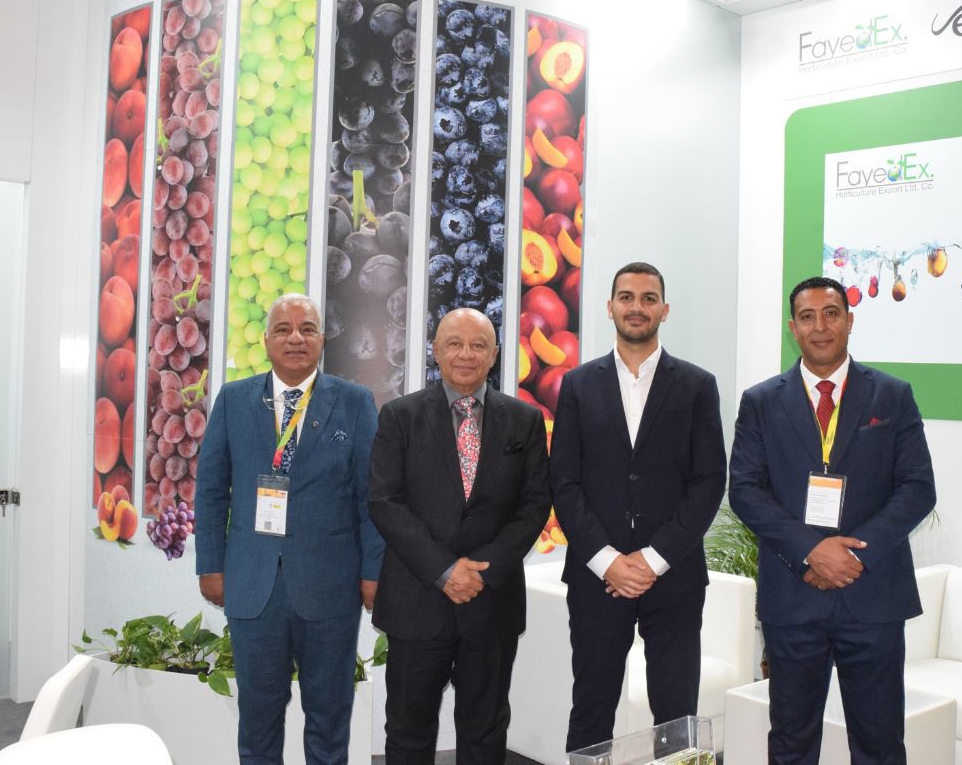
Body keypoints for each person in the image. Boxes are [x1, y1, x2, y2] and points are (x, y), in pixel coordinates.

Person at [729, 276, 936, 764]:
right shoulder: (761, 401)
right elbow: (745, 490)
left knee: (880, 744)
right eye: (807, 317)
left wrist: (854, 555)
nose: (820, 326)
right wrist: (811, 551)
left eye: (831, 314)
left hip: (873, 596)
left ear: (849, 320)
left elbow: (917, 488)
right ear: (792, 328)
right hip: (793, 597)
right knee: (791, 743)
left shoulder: (892, 395)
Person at [195, 293, 384, 765]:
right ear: (265, 341)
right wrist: (210, 565)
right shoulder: (234, 400)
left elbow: (371, 498)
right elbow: (212, 491)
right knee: (258, 718)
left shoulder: (355, 403)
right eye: (283, 329)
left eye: (307, 329)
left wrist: (373, 573)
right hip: (252, 584)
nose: (295, 338)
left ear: (323, 339)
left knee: (329, 716)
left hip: (331, 586)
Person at [550, 262, 727, 752]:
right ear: (610, 307)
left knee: (677, 713)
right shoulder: (578, 385)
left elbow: (709, 481)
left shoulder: (696, 385)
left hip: (674, 576)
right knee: (592, 706)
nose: (637, 307)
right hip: (596, 578)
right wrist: (608, 560)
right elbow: (563, 482)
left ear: (664, 310)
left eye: (649, 298)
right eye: (626, 297)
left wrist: (652, 559)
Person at [369, 307, 551, 765]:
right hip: (417, 601)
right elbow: (384, 502)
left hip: (491, 603)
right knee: (408, 732)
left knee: (485, 731)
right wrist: (444, 570)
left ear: (494, 354)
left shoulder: (524, 420)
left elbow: (534, 505)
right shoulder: (399, 416)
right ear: (436, 350)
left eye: (478, 345)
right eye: (454, 343)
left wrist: (482, 572)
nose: (466, 354)